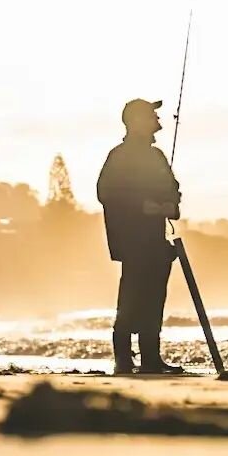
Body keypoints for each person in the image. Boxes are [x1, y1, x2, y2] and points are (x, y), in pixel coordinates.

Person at [96, 98, 183, 376]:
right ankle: (123, 359)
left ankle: (151, 358)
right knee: (132, 296)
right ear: (135, 121)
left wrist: (170, 204)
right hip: (132, 240)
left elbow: (173, 188)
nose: (158, 120)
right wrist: (143, 205)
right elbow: (106, 192)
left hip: (156, 239)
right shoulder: (118, 156)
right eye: (151, 115)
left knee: (155, 298)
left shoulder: (156, 157)